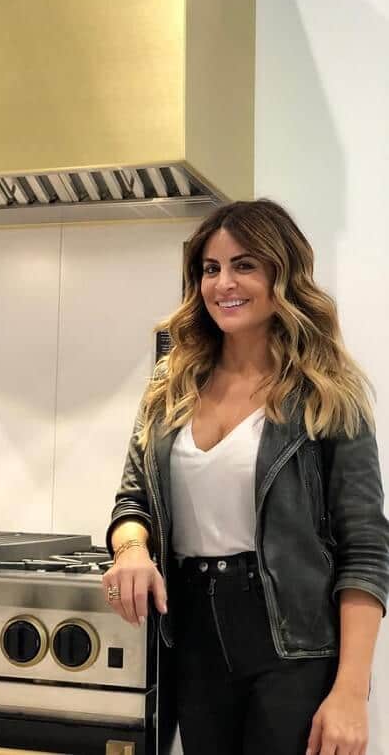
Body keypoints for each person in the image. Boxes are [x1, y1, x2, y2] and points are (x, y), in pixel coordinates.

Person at [103, 198, 389, 755]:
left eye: (244, 265)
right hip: (190, 636)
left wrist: (352, 693)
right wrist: (132, 550)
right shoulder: (171, 383)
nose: (223, 283)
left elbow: (366, 548)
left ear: (281, 274)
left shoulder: (328, 393)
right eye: (211, 268)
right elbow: (132, 500)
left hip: (291, 645)